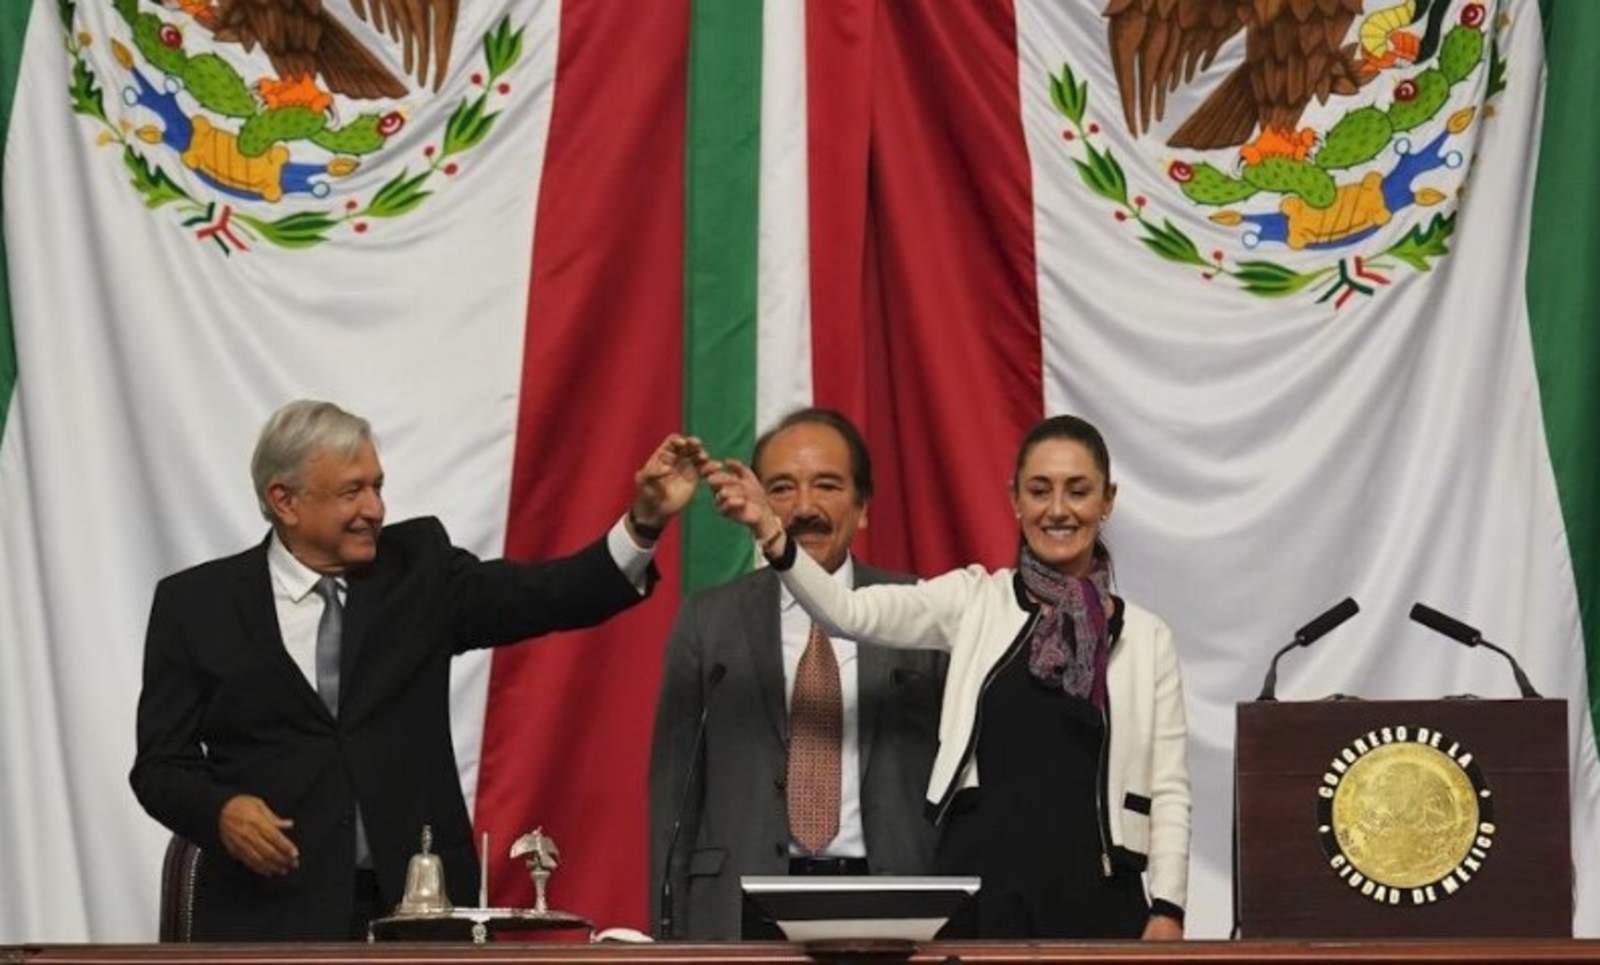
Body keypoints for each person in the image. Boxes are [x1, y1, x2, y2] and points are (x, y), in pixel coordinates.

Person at [130, 399, 705, 941]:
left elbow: (547, 595)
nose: (374, 510)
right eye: (352, 492)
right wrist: (220, 810)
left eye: (377, 487)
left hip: (413, 913)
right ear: (285, 500)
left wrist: (644, 522)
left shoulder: (416, 571)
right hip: (266, 915)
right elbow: (160, 766)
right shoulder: (196, 605)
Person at [706, 414, 1189, 940]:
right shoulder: (973, 600)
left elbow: (1167, 788)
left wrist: (1168, 908)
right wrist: (772, 535)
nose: (1057, 509)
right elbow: (845, 610)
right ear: (1015, 500)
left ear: (1107, 500)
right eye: (1039, 490)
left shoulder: (1146, 636)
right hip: (985, 890)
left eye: (1077, 491)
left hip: (1100, 895)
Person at [648, 409, 945, 939]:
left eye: (827, 485)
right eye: (781, 488)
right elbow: (673, 799)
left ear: (864, 506)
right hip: (741, 909)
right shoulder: (706, 623)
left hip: (894, 902)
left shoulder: (917, 611)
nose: (804, 507)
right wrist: (670, 934)